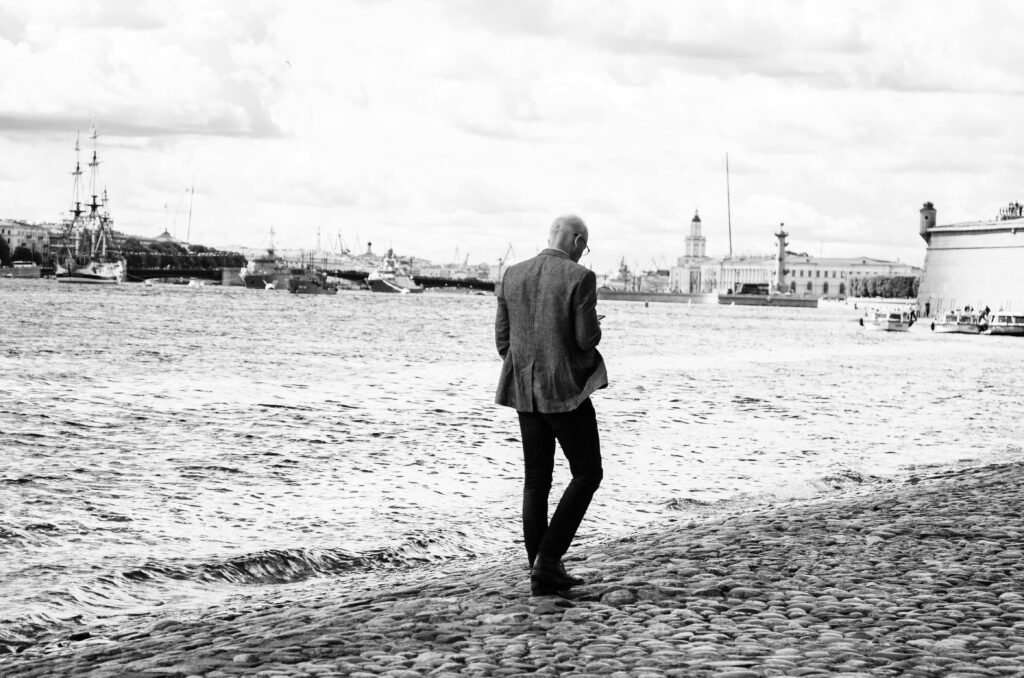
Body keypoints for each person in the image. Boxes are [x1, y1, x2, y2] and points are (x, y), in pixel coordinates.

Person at [494, 214, 607, 595]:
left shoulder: (512, 275)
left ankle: (539, 567)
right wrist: (596, 324)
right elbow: (585, 339)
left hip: (525, 392)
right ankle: (549, 558)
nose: (582, 253)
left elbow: (503, 344)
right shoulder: (580, 277)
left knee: (536, 483)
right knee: (588, 473)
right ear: (576, 240)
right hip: (565, 392)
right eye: (584, 245)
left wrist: (530, 362)